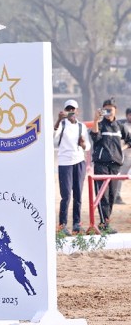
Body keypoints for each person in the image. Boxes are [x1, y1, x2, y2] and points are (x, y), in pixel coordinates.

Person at [89, 99, 131, 234]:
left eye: (110, 110)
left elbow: (129, 140)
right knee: (103, 196)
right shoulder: (100, 125)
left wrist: (120, 150)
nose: (108, 112)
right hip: (101, 165)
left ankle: (105, 222)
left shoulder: (120, 126)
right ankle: (103, 224)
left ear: (115, 111)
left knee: (112, 196)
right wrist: (95, 120)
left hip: (116, 166)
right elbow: (95, 138)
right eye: (105, 110)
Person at [53, 99, 90, 235]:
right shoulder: (62, 124)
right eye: (68, 109)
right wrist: (57, 120)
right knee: (66, 195)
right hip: (65, 163)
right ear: (65, 111)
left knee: (78, 195)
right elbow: (53, 136)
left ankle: (76, 224)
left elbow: (88, 146)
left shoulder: (82, 126)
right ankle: (62, 225)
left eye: (73, 109)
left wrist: (83, 144)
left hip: (79, 161)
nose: (71, 112)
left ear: (77, 111)